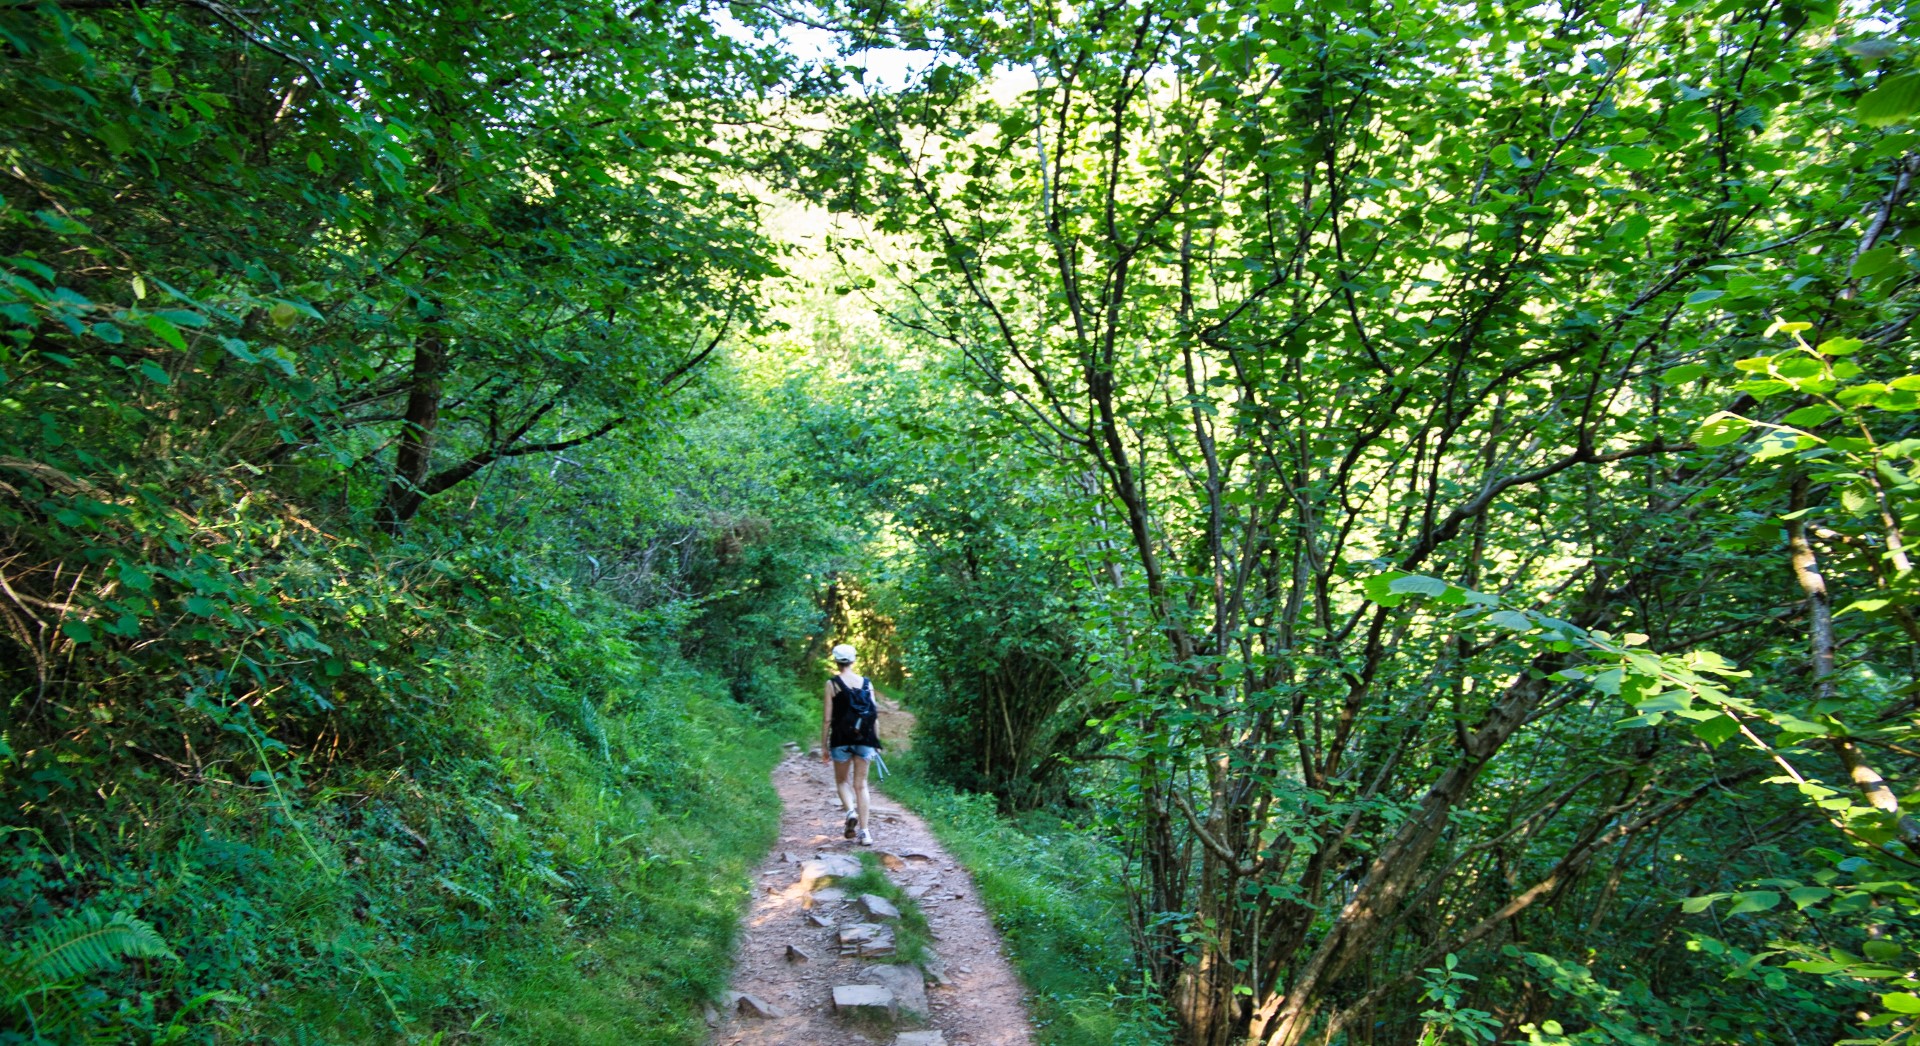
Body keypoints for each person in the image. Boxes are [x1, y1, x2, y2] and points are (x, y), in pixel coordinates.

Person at [822, 643, 883, 846]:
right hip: (864, 739)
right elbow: (874, 716)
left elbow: (827, 719)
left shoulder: (832, 684)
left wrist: (824, 746)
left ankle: (850, 812)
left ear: (836, 661)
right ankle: (865, 833)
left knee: (842, 781)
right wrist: (875, 742)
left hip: (840, 739)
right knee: (861, 785)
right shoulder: (867, 683)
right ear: (853, 660)